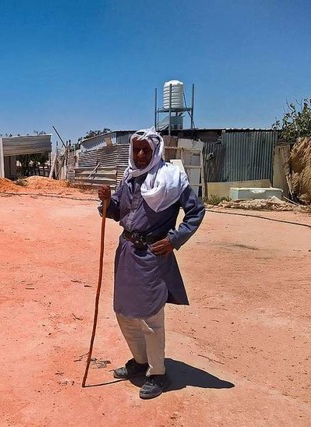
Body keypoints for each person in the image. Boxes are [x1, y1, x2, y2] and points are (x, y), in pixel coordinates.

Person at [97, 127, 205, 399]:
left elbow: (196, 210)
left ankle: (157, 373)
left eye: (146, 149)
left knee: (150, 315)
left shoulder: (171, 178)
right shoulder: (129, 178)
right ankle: (140, 360)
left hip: (153, 255)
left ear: (156, 150)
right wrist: (107, 201)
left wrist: (175, 239)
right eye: (137, 149)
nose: (141, 154)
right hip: (127, 252)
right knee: (123, 310)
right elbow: (116, 211)